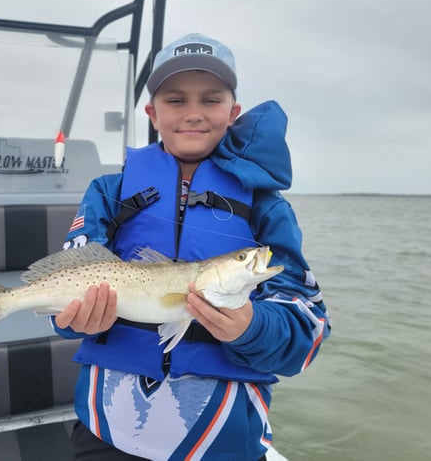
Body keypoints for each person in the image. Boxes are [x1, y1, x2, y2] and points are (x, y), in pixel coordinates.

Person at [52, 33, 330, 460]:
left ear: (233, 112)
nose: (194, 114)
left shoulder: (266, 208)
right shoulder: (107, 191)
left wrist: (251, 326)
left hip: (223, 440)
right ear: (153, 113)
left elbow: (307, 332)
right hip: (105, 430)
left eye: (211, 100)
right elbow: (66, 293)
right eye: (176, 100)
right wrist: (75, 319)